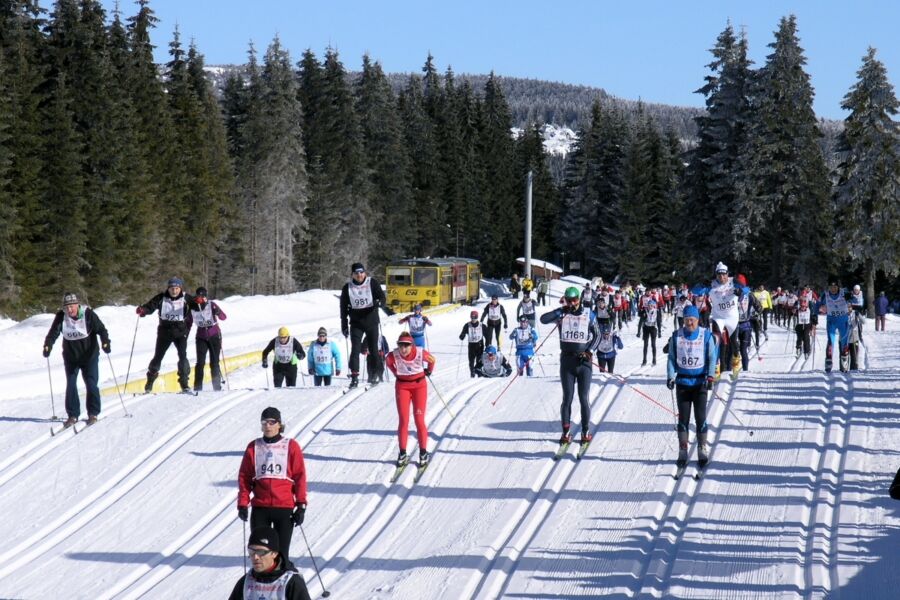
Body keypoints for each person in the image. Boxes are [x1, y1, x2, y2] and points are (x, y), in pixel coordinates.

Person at [237, 407, 307, 570]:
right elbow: (244, 477)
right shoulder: (254, 447)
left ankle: (287, 587)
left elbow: (299, 476)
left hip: (284, 508)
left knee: (281, 555)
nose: (268, 426)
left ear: (279, 425)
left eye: (272, 422)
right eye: (264, 422)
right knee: (260, 553)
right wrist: (242, 503)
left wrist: (301, 505)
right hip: (261, 508)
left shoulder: (291, 446)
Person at [540, 286, 601, 445]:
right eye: (569, 300)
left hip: (583, 361)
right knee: (567, 398)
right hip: (567, 361)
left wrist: (589, 351)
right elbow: (543, 319)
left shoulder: (589, 314)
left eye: (574, 300)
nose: (572, 303)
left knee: (583, 398)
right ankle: (566, 432)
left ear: (579, 299)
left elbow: (598, 335)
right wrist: (560, 311)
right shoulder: (562, 313)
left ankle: (585, 431)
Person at [42, 293, 111, 428]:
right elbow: (53, 333)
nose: (69, 310)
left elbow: (101, 330)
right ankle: (73, 415)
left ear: (77, 305)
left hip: (89, 356)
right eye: (67, 307)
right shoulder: (61, 317)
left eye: (72, 306)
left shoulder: (88, 314)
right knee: (71, 384)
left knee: (91, 384)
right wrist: (48, 345)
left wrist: (105, 342)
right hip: (71, 357)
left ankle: (93, 413)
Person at [666, 305, 718, 470]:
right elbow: (672, 359)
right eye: (687, 319)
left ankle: (702, 448)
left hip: (700, 383)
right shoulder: (676, 337)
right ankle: (683, 450)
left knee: (700, 417)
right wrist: (670, 376)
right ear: (683, 320)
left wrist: (711, 376)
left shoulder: (706, 336)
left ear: (697, 320)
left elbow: (712, 357)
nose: (689, 322)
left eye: (692, 319)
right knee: (683, 418)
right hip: (682, 383)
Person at [137, 277, 201, 393]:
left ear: (180, 288)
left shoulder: (186, 298)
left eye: (176, 288)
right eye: (172, 288)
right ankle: (150, 382)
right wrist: (143, 310)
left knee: (182, 357)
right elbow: (150, 307)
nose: (174, 291)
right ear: (168, 288)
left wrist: (200, 302)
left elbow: (198, 307)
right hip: (164, 331)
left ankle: (184, 384)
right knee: (158, 357)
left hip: (180, 331)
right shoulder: (161, 297)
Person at [385, 332, 436, 467]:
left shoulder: (419, 352)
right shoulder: (394, 355)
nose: (403, 349)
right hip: (402, 387)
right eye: (400, 345)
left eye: (406, 346)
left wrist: (428, 371)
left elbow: (432, 360)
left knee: (419, 419)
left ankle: (423, 452)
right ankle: (402, 453)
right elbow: (388, 362)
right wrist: (396, 373)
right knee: (403, 420)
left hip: (419, 386)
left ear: (412, 345)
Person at [340, 263, 391, 389]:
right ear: (352, 274)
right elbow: (343, 308)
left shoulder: (372, 283)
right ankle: (354, 376)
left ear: (365, 273)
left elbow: (382, 297)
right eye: (356, 273)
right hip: (356, 323)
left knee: (374, 350)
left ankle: (377, 374)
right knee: (355, 350)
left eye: (361, 272)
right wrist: (344, 325)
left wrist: (380, 302)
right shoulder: (347, 288)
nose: (359, 275)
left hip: (371, 321)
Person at [229, 526, 311, 600]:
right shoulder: (246, 581)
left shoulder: (291, 581)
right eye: (251, 551)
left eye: (261, 552)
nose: (255, 557)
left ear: (274, 554)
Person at [707, 262, 742, 378]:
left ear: (727, 274)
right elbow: (697, 290)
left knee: (734, 343)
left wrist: (740, 292)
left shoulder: (734, 282)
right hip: (718, 317)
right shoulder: (711, 285)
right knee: (715, 343)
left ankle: (736, 366)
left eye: (724, 275)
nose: (722, 277)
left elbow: (744, 290)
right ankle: (715, 370)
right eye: (719, 275)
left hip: (732, 317)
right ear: (716, 275)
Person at [190, 286, 227, 391]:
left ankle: (217, 387)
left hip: (214, 335)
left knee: (214, 362)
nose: (201, 298)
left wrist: (217, 312)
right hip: (201, 336)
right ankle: (197, 387)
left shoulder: (211, 305)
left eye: (203, 296)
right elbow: (188, 321)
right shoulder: (193, 306)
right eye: (199, 295)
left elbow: (224, 317)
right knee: (200, 363)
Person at [818, 281, 850, 373]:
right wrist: (814, 316)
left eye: (835, 287)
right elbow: (817, 304)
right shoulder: (825, 295)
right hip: (831, 321)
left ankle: (844, 361)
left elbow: (856, 298)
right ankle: (828, 361)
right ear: (828, 287)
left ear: (838, 287)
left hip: (843, 321)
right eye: (831, 287)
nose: (833, 289)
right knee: (831, 342)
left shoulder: (844, 292)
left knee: (844, 342)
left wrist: (850, 298)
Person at [459, 310, 488, 377]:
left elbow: (487, 336)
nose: (473, 319)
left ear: (477, 317)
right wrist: (462, 336)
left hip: (479, 344)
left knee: (479, 360)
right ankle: (472, 373)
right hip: (471, 345)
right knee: (471, 360)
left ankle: (479, 372)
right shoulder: (467, 325)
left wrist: (487, 344)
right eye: (472, 318)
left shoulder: (482, 325)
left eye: (475, 318)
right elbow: (462, 334)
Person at [639, 290, 662, 366]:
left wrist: (659, 332)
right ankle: (644, 360)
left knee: (653, 344)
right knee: (645, 345)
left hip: (653, 328)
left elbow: (659, 322)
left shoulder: (657, 312)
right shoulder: (644, 311)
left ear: (654, 306)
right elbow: (640, 321)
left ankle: (654, 359)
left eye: (652, 306)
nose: (650, 307)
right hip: (646, 328)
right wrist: (639, 331)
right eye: (649, 305)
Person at [847, 304, 864, 371]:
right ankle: (844, 369)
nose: (848, 308)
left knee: (854, 355)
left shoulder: (855, 313)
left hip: (854, 337)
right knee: (844, 355)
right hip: (845, 338)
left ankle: (853, 369)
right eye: (847, 307)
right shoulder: (843, 313)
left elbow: (864, 322)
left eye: (850, 307)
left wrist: (859, 315)